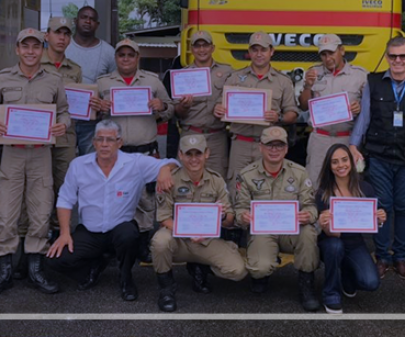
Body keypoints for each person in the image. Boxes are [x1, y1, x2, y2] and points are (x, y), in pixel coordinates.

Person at [0, 28, 70, 298]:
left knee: (41, 213)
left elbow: (64, 110)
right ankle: (4, 272)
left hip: (41, 153)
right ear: (17, 49)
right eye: (25, 46)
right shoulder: (3, 79)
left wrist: (63, 125)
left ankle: (35, 270)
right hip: (12, 154)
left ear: (42, 50)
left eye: (36, 47)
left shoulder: (53, 80)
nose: (30, 51)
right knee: (6, 213)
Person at [47, 120, 178, 301]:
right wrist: (64, 233)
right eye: (100, 139)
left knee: (129, 234)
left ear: (120, 142)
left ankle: (126, 278)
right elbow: (65, 199)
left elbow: (173, 163)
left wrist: (164, 169)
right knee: (56, 259)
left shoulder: (135, 163)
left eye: (110, 140)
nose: (104, 144)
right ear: (93, 142)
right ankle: (95, 266)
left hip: (120, 230)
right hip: (90, 231)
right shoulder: (78, 165)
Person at [350, 36, 405, 280]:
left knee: (404, 208)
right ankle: (382, 257)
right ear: (387, 57)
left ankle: (400, 257)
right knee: (382, 207)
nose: (398, 61)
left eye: (403, 56)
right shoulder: (373, 82)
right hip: (379, 156)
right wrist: (354, 145)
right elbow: (364, 117)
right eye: (393, 56)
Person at [13, 17, 86, 281]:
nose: (62, 38)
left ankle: (54, 249)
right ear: (47, 35)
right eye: (58, 33)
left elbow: (73, 106)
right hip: (34, 138)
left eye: (67, 34)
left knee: (61, 190)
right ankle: (24, 250)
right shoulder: (31, 61)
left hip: (63, 138)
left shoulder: (74, 69)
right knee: (30, 192)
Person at [96, 38, 175, 264]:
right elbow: (90, 114)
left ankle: (142, 244)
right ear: (116, 58)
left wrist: (161, 107)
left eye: (131, 55)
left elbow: (170, 109)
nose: (126, 59)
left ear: (137, 58)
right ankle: (115, 244)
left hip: (144, 152)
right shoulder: (103, 84)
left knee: (146, 201)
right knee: (115, 198)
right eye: (122, 55)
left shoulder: (152, 81)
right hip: (115, 154)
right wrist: (99, 109)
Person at [151, 134, 248, 312]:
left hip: (206, 240)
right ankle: (166, 289)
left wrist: (222, 215)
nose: (194, 159)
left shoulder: (217, 181)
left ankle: (201, 266)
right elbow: (164, 217)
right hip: (178, 239)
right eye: (189, 154)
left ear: (207, 154)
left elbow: (229, 220)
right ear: (180, 155)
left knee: (238, 271)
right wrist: (188, 232)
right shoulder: (169, 180)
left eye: (198, 153)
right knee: (159, 242)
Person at [234, 126, 320, 312]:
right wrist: (243, 217)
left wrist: (309, 215)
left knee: (309, 232)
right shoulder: (247, 175)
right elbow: (239, 209)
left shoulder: (299, 172)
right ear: (261, 147)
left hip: (292, 231)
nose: (274, 150)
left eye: (279, 146)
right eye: (269, 145)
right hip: (263, 231)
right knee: (259, 268)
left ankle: (306, 283)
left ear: (287, 148)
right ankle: (262, 275)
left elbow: (311, 206)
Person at [215, 31, 301, 186]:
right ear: (249, 52)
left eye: (263, 49)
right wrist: (219, 109)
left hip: (270, 147)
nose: (259, 54)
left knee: (267, 191)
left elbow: (292, 113)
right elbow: (220, 105)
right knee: (237, 189)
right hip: (240, 144)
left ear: (271, 51)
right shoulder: (235, 78)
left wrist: (278, 118)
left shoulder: (283, 81)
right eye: (254, 50)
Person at [315, 144, 386, 314]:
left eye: (345, 160)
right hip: (331, 241)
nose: (341, 165)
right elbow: (331, 233)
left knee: (371, 282)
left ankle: (346, 274)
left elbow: (372, 221)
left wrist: (380, 218)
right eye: (335, 162)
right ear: (329, 166)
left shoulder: (365, 188)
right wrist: (325, 223)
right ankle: (331, 293)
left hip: (355, 243)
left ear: (352, 162)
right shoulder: (323, 193)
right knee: (335, 247)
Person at [298, 34, 367, 188]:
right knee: (314, 184)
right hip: (319, 139)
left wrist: (360, 107)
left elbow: (370, 108)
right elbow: (303, 106)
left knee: (347, 185)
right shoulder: (313, 73)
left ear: (341, 50)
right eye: (323, 54)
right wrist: (308, 86)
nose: (328, 58)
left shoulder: (360, 75)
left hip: (346, 139)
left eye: (331, 53)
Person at [175, 30, 233, 178]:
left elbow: (235, 98)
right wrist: (184, 106)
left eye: (205, 45)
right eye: (197, 46)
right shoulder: (182, 76)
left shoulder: (227, 72)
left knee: (217, 180)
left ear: (212, 48)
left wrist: (224, 106)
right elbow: (176, 112)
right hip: (191, 133)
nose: (202, 50)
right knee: (187, 180)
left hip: (217, 137)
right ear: (192, 50)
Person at [66, 5, 116, 156]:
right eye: (84, 17)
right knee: (62, 166)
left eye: (92, 19)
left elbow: (114, 86)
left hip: (92, 122)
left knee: (89, 166)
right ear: (75, 21)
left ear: (97, 24)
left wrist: (104, 103)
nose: (88, 21)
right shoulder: (63, 47)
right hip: (64, 120)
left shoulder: (109, 52)